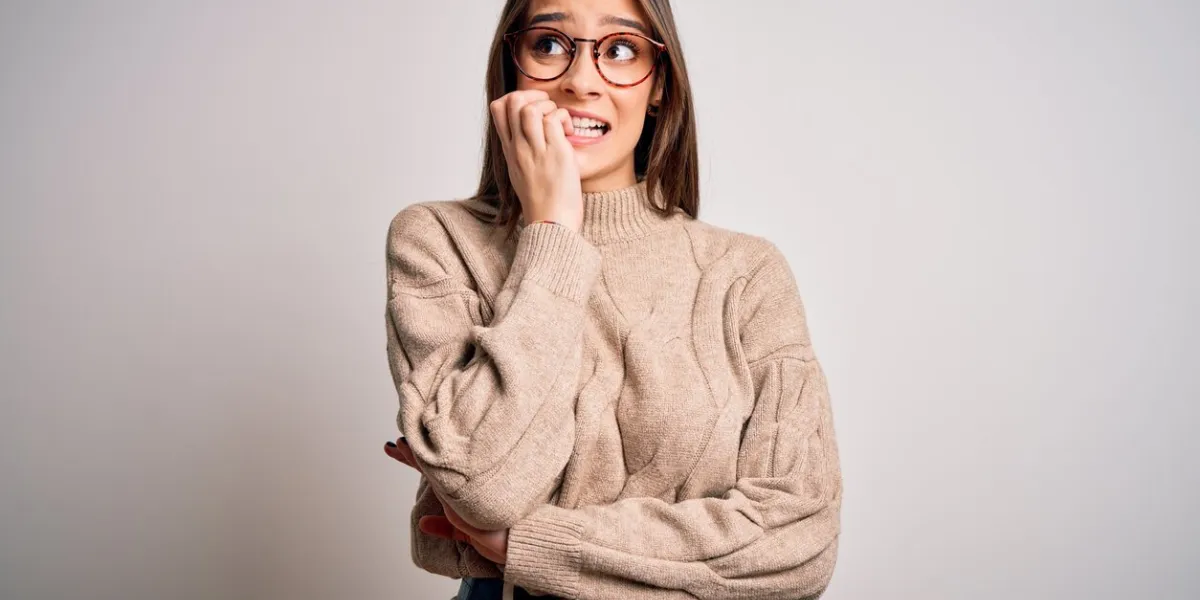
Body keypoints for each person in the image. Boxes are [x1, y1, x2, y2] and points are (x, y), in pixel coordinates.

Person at [382, 0, 843, 598]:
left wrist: (532, 544)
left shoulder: (746, 273)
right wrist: (553, 231)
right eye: (548, 43)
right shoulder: (437, 241)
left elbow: (799, 542)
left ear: (659, 84)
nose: (579, 79)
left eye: (620, 49)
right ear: (512, 66)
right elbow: (485, 487)